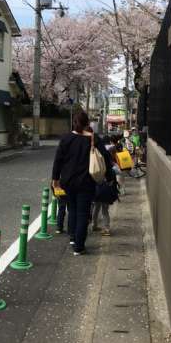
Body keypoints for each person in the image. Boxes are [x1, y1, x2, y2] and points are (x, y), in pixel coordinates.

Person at [52, 110, 114, 256]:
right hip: (86, 182)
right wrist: (110, 177)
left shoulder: (66, 138)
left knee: (72, 210)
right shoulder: (93, 139)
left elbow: (58, 160)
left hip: (68, 181)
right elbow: (105, 158)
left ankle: (73, 238)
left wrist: (55, 179)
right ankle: (79, 247)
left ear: (74, 123)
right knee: (83, 213)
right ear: (87, 123)